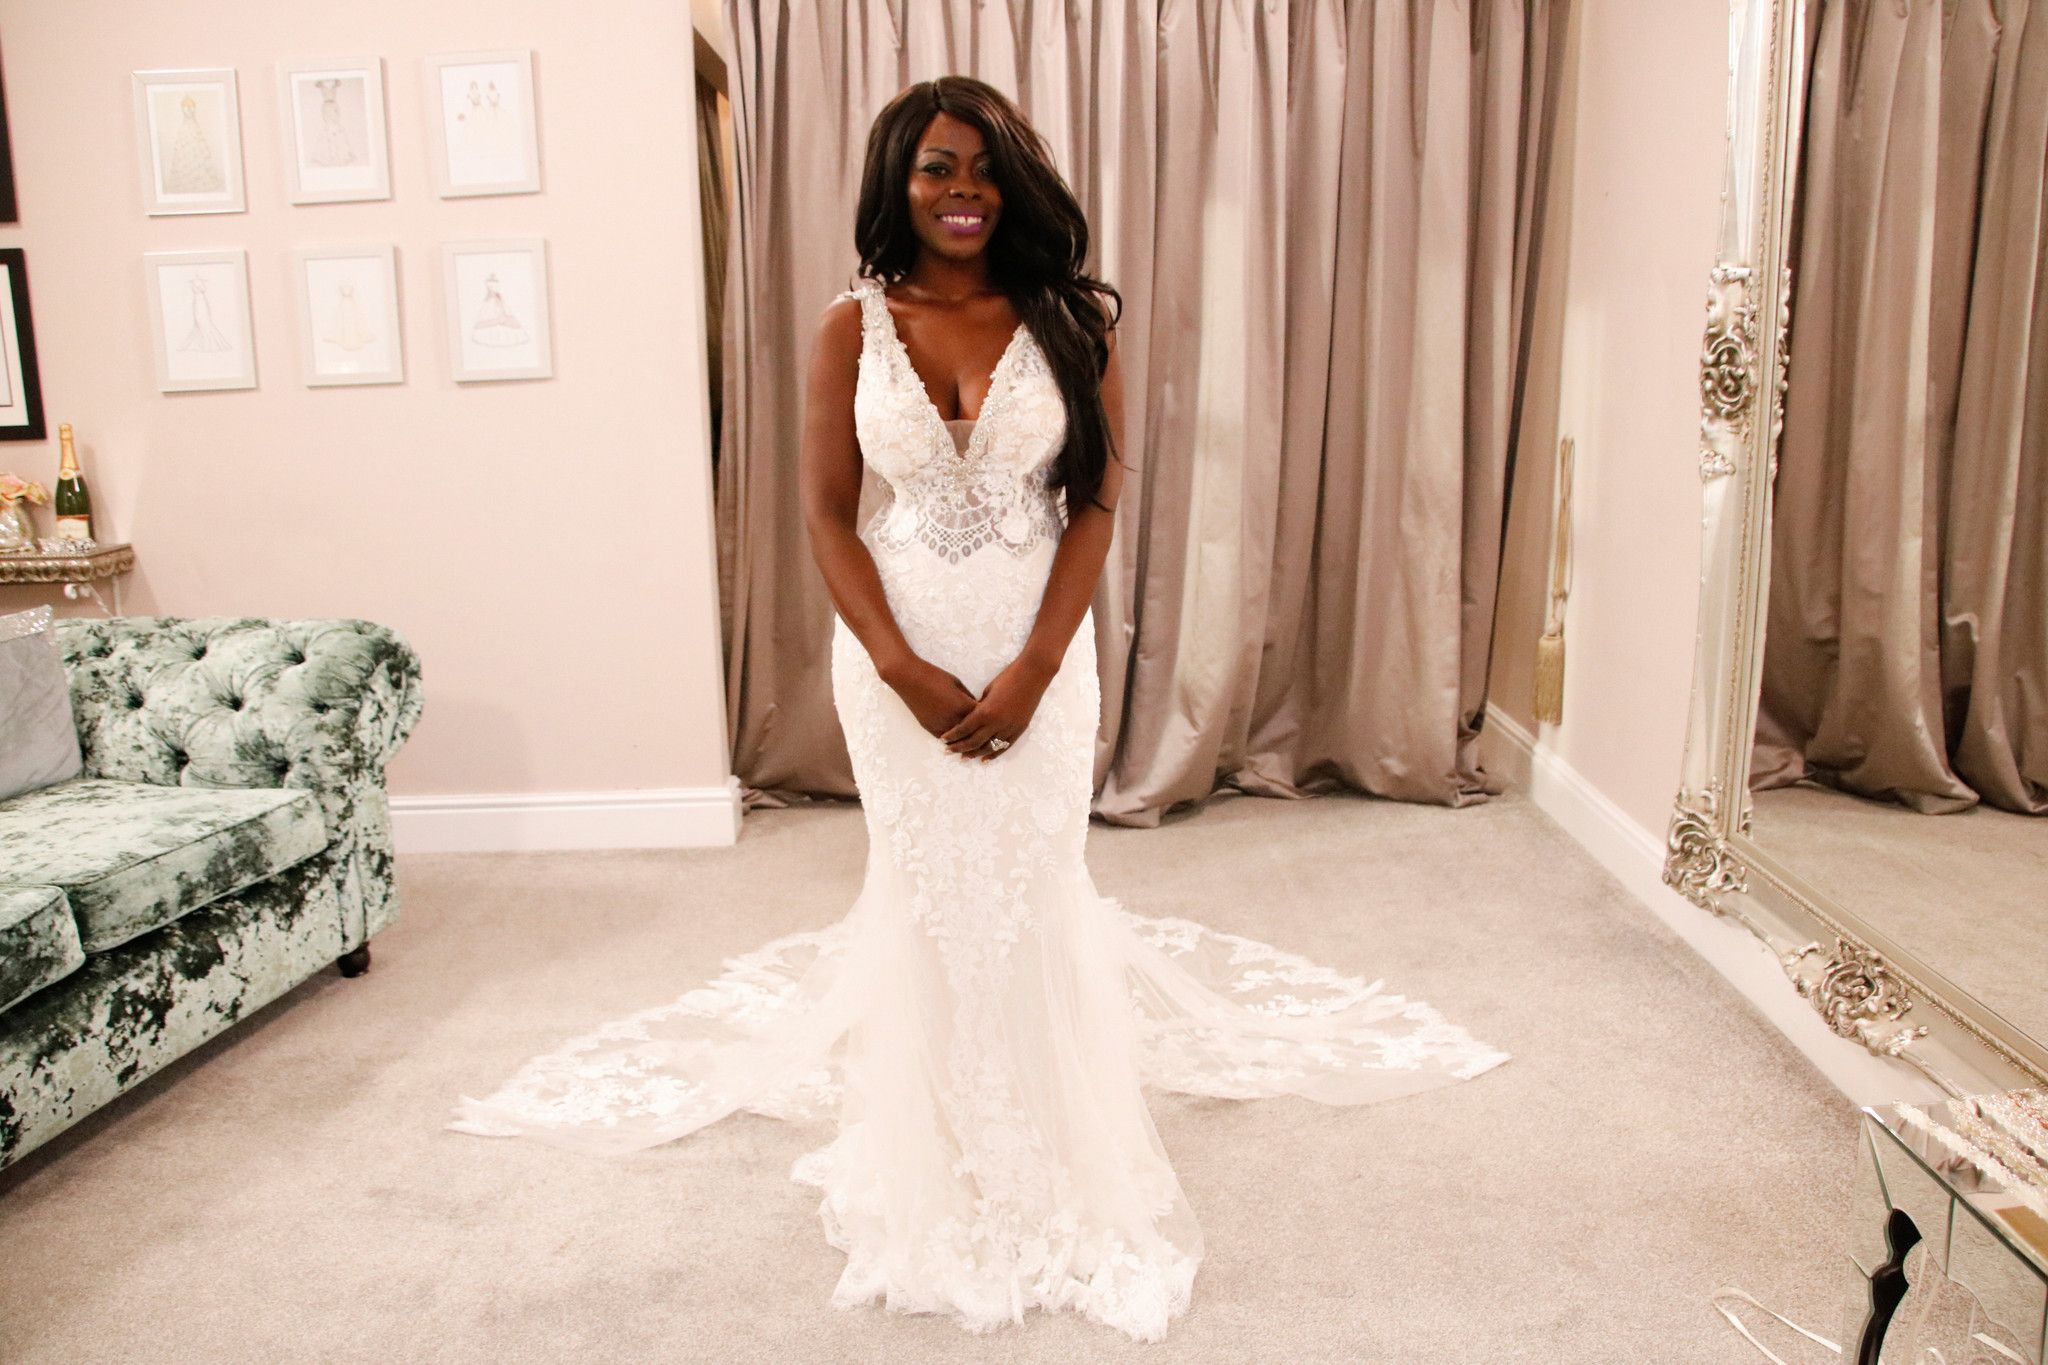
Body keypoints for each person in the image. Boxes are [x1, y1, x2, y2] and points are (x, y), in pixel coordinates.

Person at [450, 75, 1509, 1343]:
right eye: (937, 170)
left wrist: (1037, 667)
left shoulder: (1070, 322)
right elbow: (826, 516)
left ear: (1015, 183)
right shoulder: (853, 327)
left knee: (1028, 885)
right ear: (896, 182)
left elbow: (1096, 507)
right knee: (925, 892)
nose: (963, 194)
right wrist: (896, 665)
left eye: (985, 170)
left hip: (1034, 649)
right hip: (895, 655)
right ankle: (932, 1149)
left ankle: (1049, 1150)